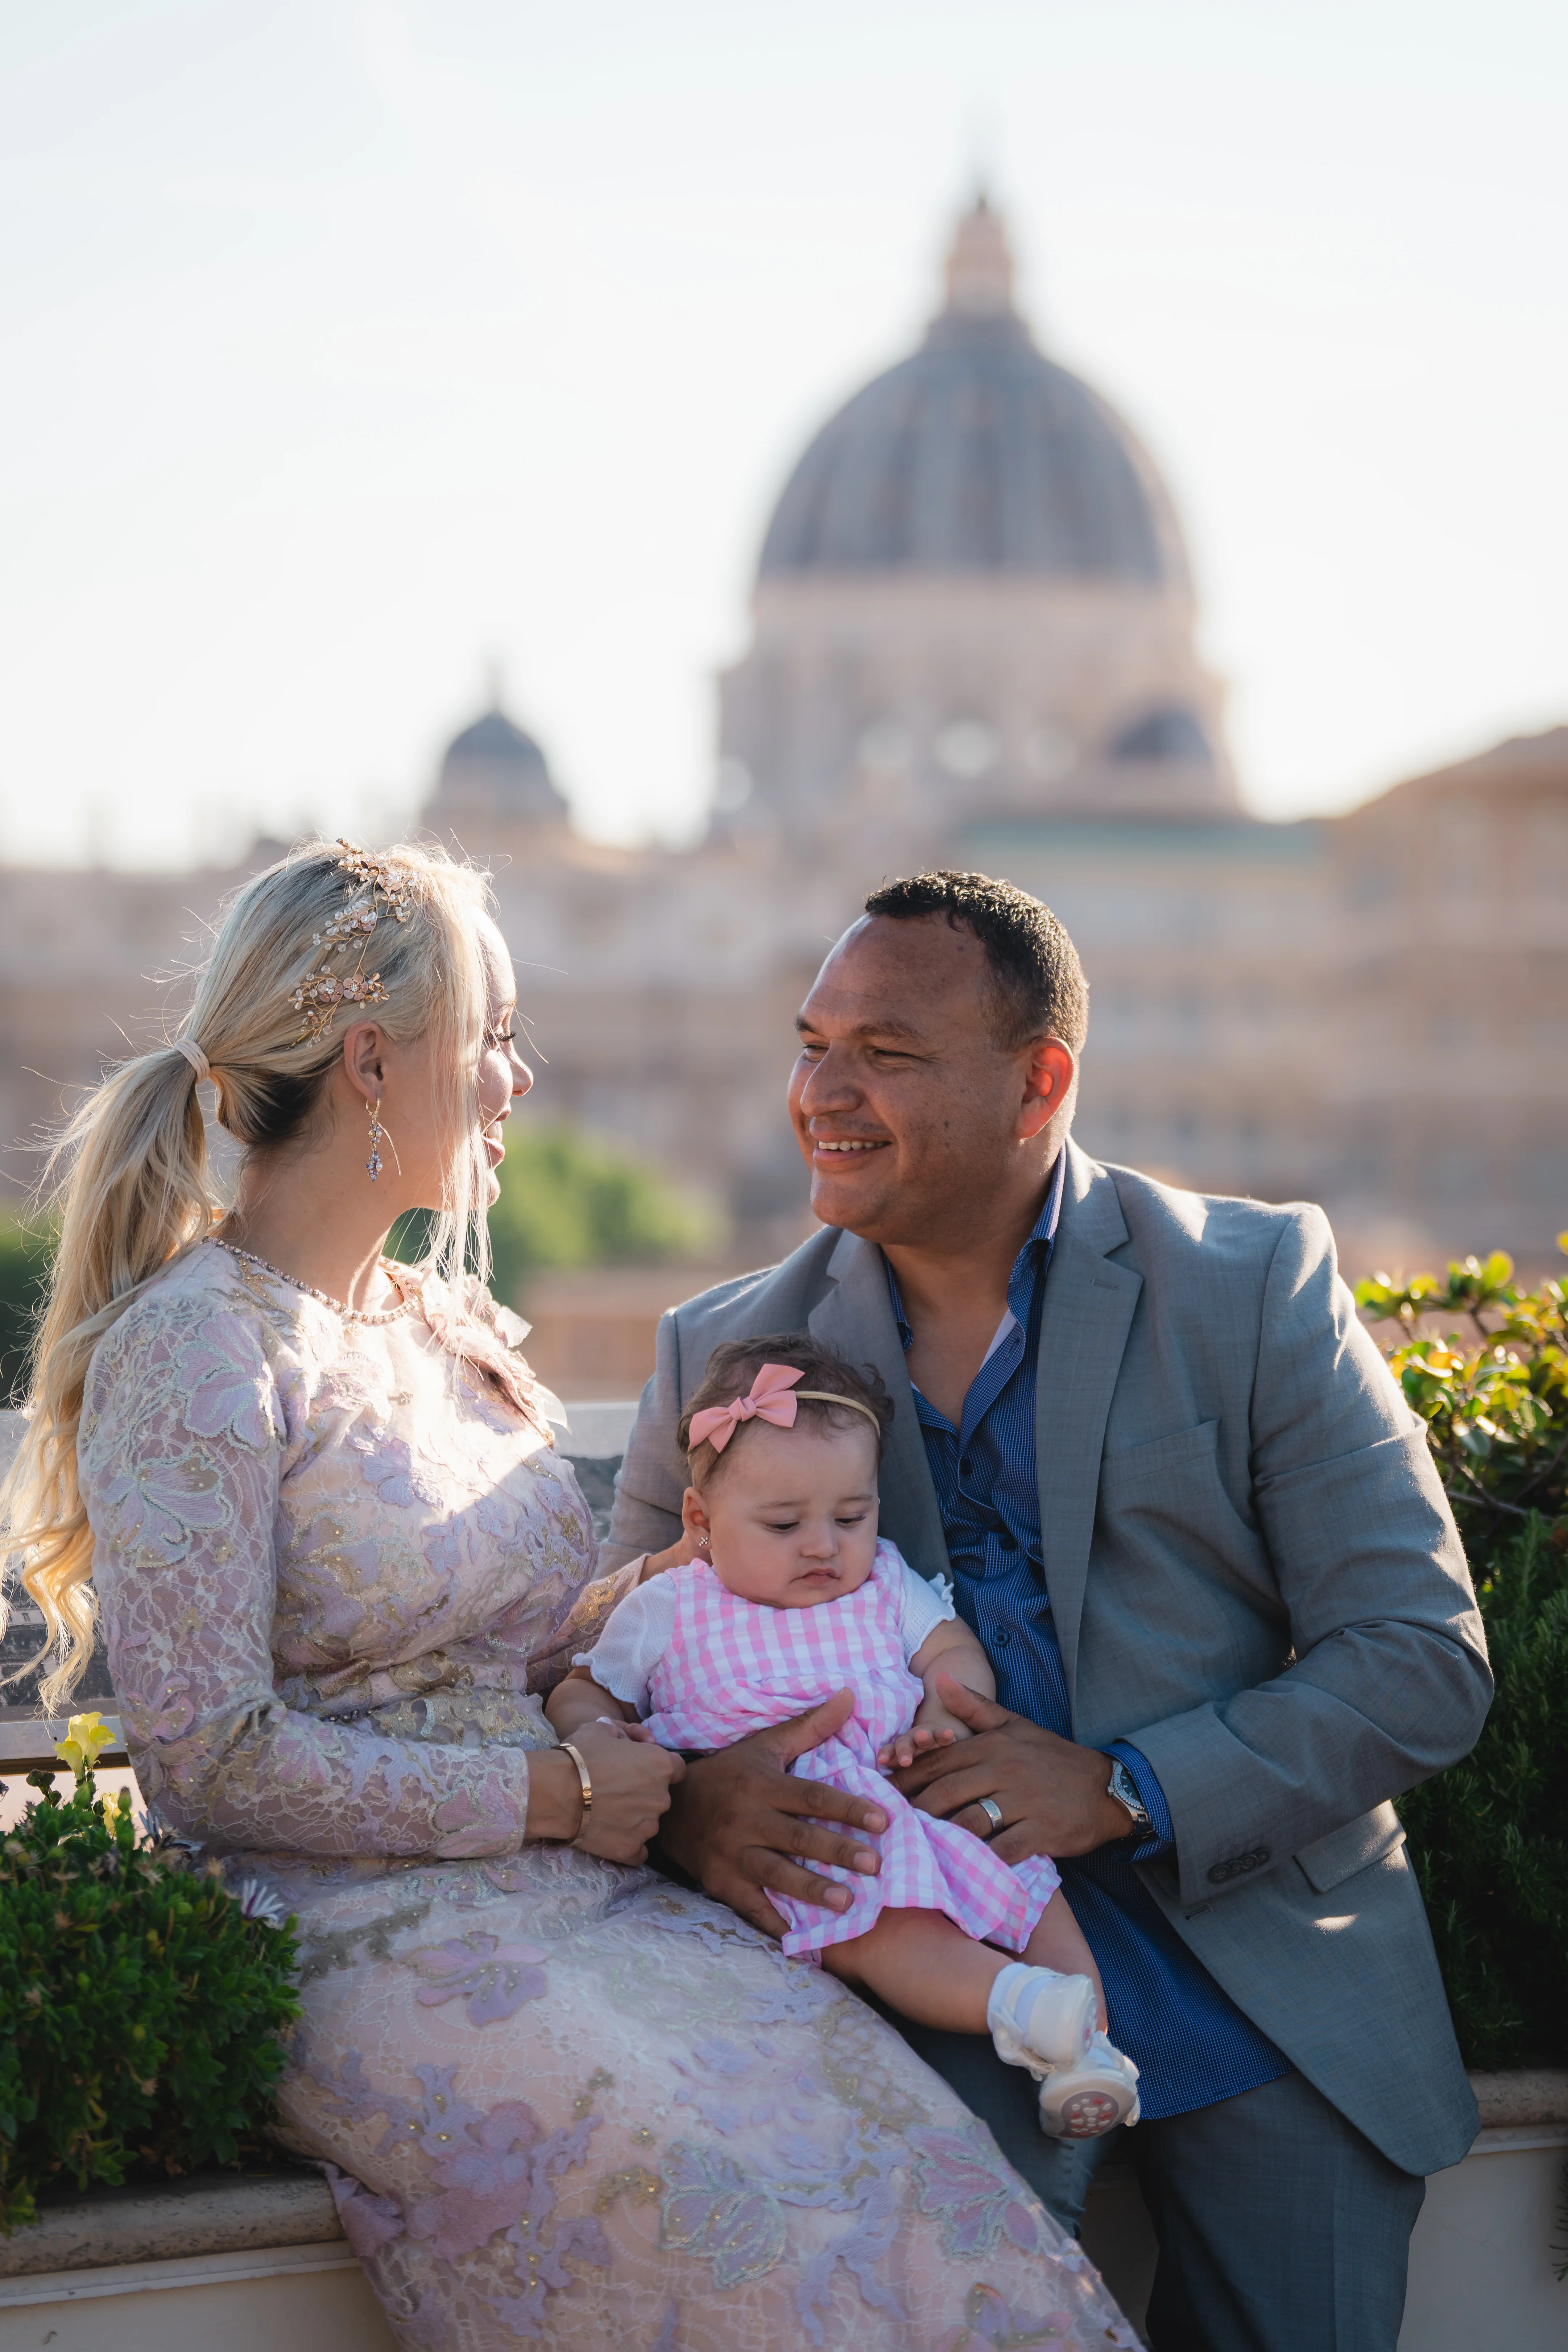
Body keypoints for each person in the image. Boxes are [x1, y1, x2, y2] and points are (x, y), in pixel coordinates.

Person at [0, 840, 1139, 2352]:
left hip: (594, 1898)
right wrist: (548, 1791)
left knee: (915, 2164)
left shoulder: (442, 1323)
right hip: (364, 1932)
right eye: (491, 1035)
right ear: (369, 1064)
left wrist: (696, 1604)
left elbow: (530, 1637)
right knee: (722, 2195)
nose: (517, 1075)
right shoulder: (197, 1347)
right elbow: (207, 1760)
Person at [606, 868, 1493, 2352]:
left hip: (1250, 1951)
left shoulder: (1253, 1283)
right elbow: (605, 1662)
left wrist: (1124, 1787)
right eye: (812, 1043)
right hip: (908, 1958)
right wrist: (696, 1808)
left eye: (885, 1052)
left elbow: (1419, 1658)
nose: (820, 1092)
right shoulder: (720, 1351)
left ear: (1039, 1081)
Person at [549, 1337, 1141, 2141]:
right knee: (881, 1927)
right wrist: (595, 1736)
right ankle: (1017, 2003)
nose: (824, 1544)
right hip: (809, 1824)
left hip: (916, 1789)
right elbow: (585, 1686)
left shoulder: (884, 1580)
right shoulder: (670, 1605)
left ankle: (1091, 2047)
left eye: (851, 1516)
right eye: (784, 1523)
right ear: (701, 1522)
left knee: (1032, 1889)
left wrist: (940, 1712)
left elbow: (951, 1651)